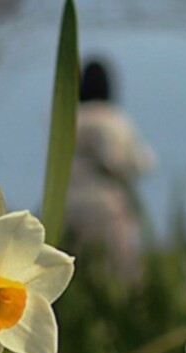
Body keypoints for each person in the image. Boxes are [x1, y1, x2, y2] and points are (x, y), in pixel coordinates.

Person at [63, 59, 155, 289]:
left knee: (77, 270)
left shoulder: (70, 118)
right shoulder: (112, 119)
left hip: (72, 203)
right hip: (109, 205)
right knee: (117, 273)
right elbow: (130, 161)